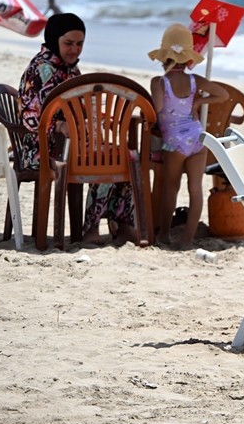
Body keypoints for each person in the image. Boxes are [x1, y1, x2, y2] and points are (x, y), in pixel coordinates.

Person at [18, 13, 140, 245]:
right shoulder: (42, 69)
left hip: (72, 145)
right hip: (42, 148)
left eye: (79, 44)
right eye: (69, 43)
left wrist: (97, 119)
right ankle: (91, 228)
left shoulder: (71, 70)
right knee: (104, 159)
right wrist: (61, 125)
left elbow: (81, 109)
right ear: (54, 40)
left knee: (122, 154)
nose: (75, 49)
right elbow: (31, 118)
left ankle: (123, 223)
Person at [148, 24, 231, 248]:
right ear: (188, 58)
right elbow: (222, 94)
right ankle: (187, 239)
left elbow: (155, 109)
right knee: (195, 188)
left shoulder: (159, 82)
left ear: (164, 56)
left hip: (174, 141)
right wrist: (200, 100)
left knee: (170, 188)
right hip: (197, 137)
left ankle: (164, 233)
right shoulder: (195, 81)